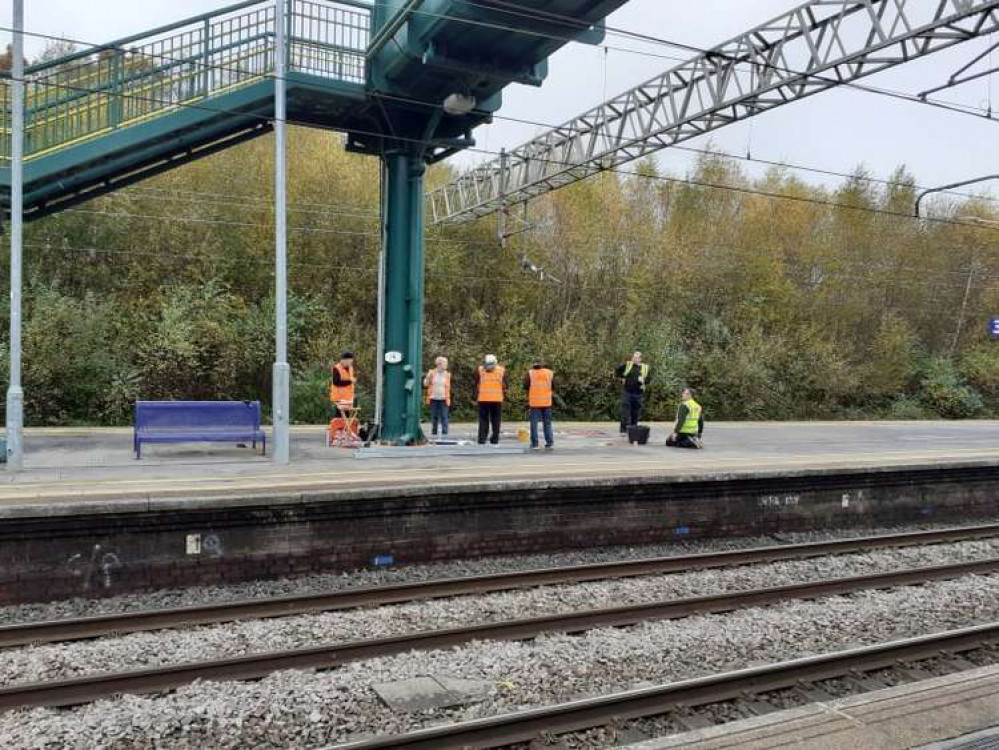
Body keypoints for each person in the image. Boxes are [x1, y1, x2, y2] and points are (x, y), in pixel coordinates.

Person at [473, 354, 507, 445]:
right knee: (496, 421)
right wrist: (504, 395)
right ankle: (495, 439)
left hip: (483, 399)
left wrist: (474, 397)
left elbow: (475, 384)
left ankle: (482, 439)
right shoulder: (501, 370)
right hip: (497, 399)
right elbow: (505, 386)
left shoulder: (480, 370)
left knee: (483, 420)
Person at [615, 351, 650, 435]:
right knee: (625, 412)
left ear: (640, 359)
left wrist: (644, 380)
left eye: (637, 357)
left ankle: (633, 430)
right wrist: (622, 378)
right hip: (627, 392)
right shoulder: (627, 365)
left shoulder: (645, 368)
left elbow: (649, 379)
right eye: (633, 357)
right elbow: (617, 372)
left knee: (635, 413)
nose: (634, 359)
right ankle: (624, 430)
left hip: (638, 393)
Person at [524, 361, 555, 451]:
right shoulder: (549, 373)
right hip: (546, 402)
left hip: (534, 402)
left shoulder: (530, 373)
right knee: (547, 423)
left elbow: (525, 386)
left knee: (534, 424)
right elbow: (554, 387)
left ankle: (535, 444)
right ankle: (549, 442)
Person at [423, 356, 452, 438]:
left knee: (444, 416)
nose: (446, 365)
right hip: (434, 398)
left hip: (444, 398)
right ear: (439, 364)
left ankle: (445, 433)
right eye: (444, 363)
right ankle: (434, 432)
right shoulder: (432, 373)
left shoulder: (447, 374)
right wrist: (428, 377)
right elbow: (425, 384)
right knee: (434, 416)